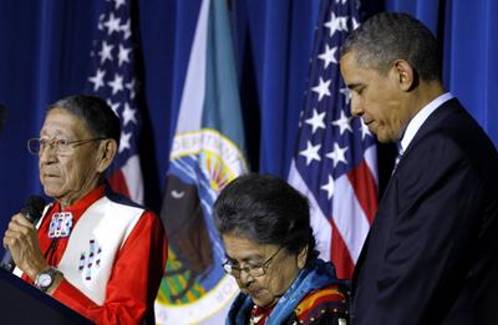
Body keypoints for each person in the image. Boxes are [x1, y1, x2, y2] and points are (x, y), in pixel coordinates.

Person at [339, 12, 498, 324]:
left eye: (359, 89)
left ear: (402, 74)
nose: (354, 108)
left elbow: (404, 297)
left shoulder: (444, 152)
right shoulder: (436, 145)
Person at [2, 95, 168, 324]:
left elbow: (122, 321)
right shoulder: (37, 220)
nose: (47, 158)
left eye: (61, 143)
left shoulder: (135, 224)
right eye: (43, 143)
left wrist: (42, 274)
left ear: (104, 154)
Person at [213, 173, 349, 325]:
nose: (244, 279)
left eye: (255, 265)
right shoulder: (246, 311)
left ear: (299, 252)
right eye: (234, 264)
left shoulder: (323, 310)